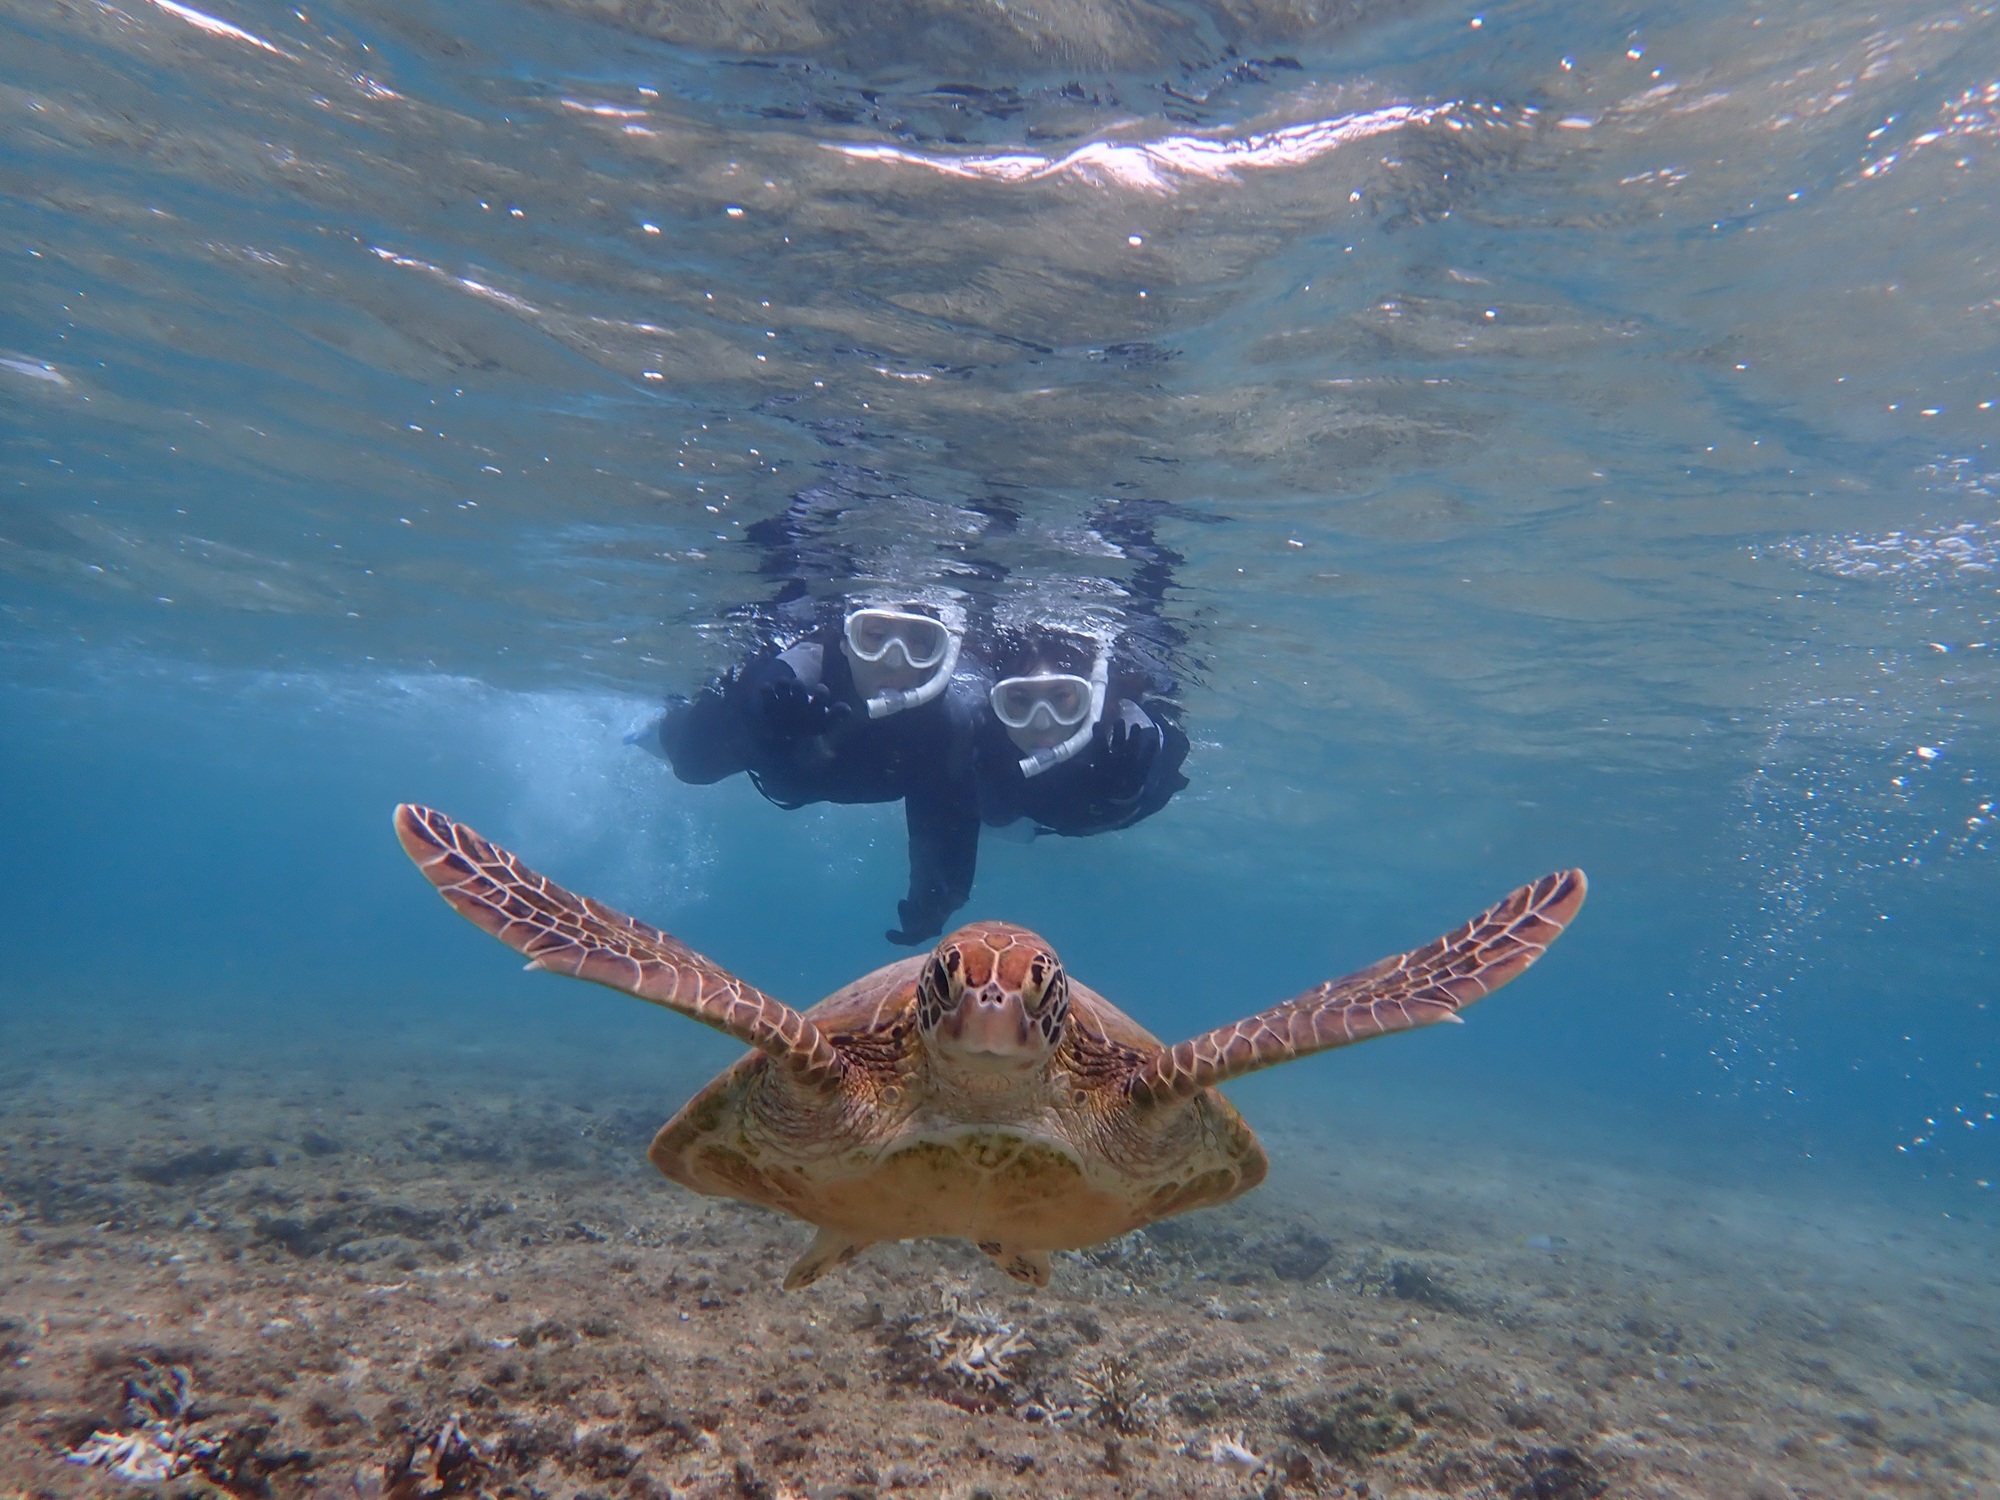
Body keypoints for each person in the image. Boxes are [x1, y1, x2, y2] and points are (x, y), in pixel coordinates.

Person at [653, 598, 987, 945]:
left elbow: (948, 822)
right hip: (782, 766)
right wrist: (767, 729)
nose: (894, 658)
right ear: (845, 643)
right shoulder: (800, 674)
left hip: (809, 778)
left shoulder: (945, 726)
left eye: (919, 642)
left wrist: (935, 901)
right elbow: (758, 703)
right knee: (691, 763)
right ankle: (670, 713)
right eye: (874, 635)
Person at [973, 625, 1190, 840]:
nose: (1042, 724)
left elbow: (1160, 788)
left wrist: (1125, 800)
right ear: (996, 702)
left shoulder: (1133, 740)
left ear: (1091, 698)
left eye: (1060, 697)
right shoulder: (983, 738)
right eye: (1020, 700)